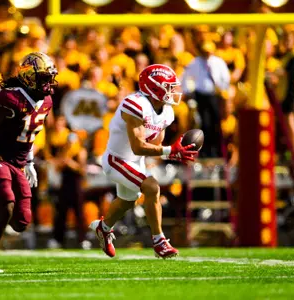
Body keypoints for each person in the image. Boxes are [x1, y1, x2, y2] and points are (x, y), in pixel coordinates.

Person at [89, 64, 198, 259]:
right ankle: (159, 241)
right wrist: (170, 151)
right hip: (117, 159)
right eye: (169, 87)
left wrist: (174, 153)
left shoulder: (166, 112)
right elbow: (138, 146)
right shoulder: (135, 104)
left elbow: (156, 145)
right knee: (152, 187)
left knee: (127, 201)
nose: (173, 91)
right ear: (154, 87)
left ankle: (103, 228)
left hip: (135, 161)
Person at [0, 52, 57, 273]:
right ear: (29, 77)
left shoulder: (46, 101)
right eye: (44, 78)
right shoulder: (12, 99)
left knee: (21, 222)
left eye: (50, 78)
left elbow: (30, 133)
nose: (48, 83)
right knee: (7, 208)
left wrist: (29, 162)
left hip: (18, 164)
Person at [181, 41, 230, 158]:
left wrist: (222, 88)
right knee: (204, 124)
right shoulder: (196, 62)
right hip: (201, 96)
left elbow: (225, 77)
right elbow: (186, 76)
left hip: (214, 96)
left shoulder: (218, 62)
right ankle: (205, 151)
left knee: (216, 123)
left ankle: (216, 151)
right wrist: (188, 91)